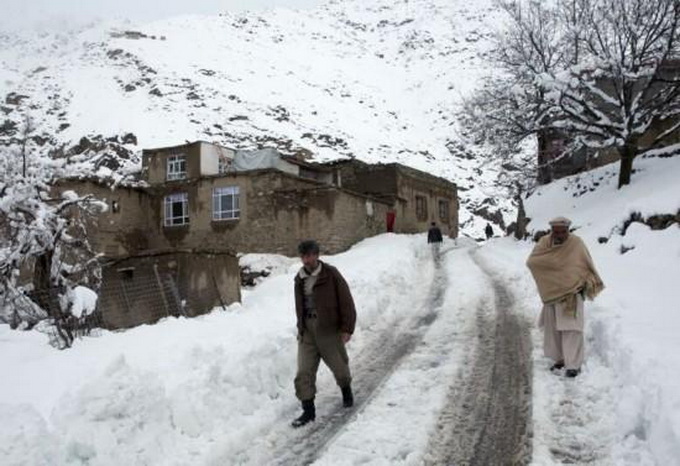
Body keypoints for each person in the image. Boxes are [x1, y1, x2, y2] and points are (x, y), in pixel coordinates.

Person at [526, 217, 604, 378]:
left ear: (568, 230)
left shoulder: (576, 244)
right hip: (551, 293)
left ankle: (573, 365)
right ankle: (560, 360)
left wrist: (579, 279)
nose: (560, 234)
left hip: (572, 293)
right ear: (551, 230)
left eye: (563, 231)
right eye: (556, 231)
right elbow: (533, 262)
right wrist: (554, 270)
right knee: (553, 330)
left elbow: (584, 264)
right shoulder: (544, 243)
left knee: (572, 329)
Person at [292, 240, 357, 428]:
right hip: (308, 331)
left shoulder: (331, 274)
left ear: (317, 255)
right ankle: (308, 412)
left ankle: (346, 391)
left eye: (310, 255)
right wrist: (301, 328)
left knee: (340, 367)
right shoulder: (299, 278)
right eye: (303, 256)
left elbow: (346, 301)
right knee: (304, 371)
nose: (307, 260)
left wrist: (347, 328)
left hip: (329, 328)